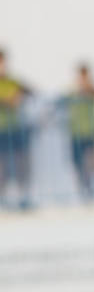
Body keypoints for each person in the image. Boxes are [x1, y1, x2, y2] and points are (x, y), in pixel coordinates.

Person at [0, 48, 35, 210]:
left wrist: (19, 95)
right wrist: (8, 101)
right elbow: (8, 102)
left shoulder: (13, 81)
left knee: (22, 161)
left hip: (15, 128)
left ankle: (24, 195)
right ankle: (3, 197)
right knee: (3, 164)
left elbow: (31, 91)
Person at [63, 61, 94, 200]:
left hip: (90, 131)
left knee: (92, 160)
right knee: (78, 163)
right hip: (75, 132)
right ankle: (84, 188)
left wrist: (87, 88)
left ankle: (93, 186)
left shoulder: (91, 89)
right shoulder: (72, 91)